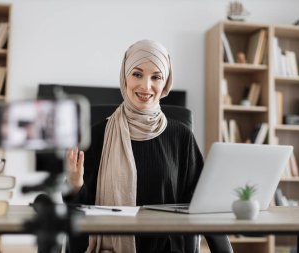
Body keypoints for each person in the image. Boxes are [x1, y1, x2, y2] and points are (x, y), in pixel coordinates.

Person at [64, 40, 228, 253]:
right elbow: (81, 214)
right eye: (137, 74)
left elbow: (204, 204)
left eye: (156, 77)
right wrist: (75, 185)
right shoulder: (96, 135)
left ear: (166, 82)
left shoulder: (181, 137)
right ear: (125, 76)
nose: (146, 86)